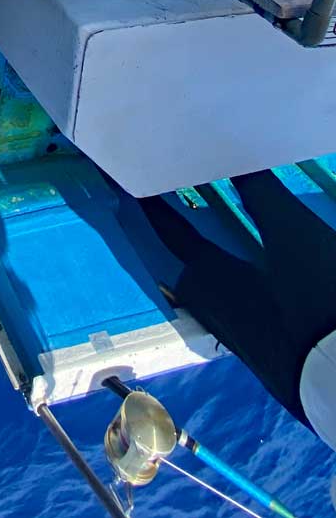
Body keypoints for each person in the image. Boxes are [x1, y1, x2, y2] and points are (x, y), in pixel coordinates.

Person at [140, 172, 336, 450]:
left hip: (304, 387)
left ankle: (117, 173)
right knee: (264, 193)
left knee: (199, 262)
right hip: (309, 386)